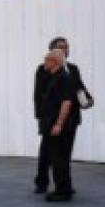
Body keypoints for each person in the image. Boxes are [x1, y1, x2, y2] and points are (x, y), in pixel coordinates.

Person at [33, 36, 89, 194]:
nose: (65, 49)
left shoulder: (73, 69)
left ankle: (65, 184)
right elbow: (39, 94)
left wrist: (87, 100)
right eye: (61, 47)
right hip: (51, 118)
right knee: (47, 152)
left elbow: (79, 89)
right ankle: (42, 182)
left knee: (64, 153)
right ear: (52, 51)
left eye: (66, 47)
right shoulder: (44, 69)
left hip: (70, 118)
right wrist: (41, 117)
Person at [37, 49, 80, 202]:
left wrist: (59, 124)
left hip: (60, 126)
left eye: (46, 59)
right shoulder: (53, 77)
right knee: (57, 157)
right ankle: (63, 188)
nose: (44, 63)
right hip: (52, 124)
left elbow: (66, 103)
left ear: (54, 61)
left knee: (59, 158)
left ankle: (62, 191)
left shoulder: (63, 78)